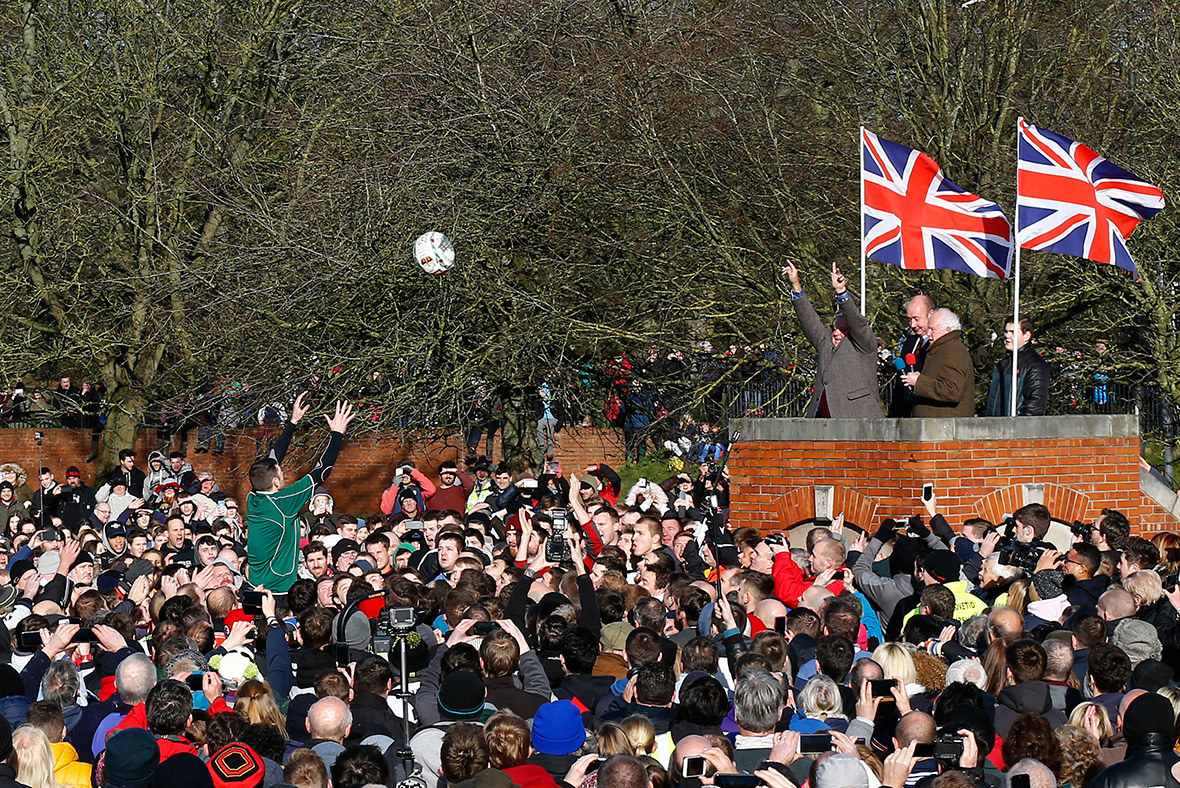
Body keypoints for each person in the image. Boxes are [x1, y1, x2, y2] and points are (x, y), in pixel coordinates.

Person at [247, 393, 355, 594]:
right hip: (278, 590)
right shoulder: (283, 502)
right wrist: (337, 433)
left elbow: (272, 458)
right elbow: (321, 471)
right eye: (281, 471)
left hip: (254, 584)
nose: (283, 470)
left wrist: (293, 421)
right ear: (275, 481)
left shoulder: (253, 496)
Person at [782, 260, 884, 418]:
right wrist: (796, 285)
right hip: (823, 420)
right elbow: (810, 322)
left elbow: (857, 322)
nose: (836, 333)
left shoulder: (863, 345)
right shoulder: (826, 343)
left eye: (842, 330)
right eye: (835, 328)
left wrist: (841, 292)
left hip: (858, 420)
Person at [901, 308, 974, 417]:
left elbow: (952, 391)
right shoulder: (941, 349)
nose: (928, 334)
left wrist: (919, 382)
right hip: (935, 426)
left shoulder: (953, 351)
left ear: (948, 330)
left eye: (932, 330)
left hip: (945, 427)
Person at [985, 315, 1051, 417]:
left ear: (1026, 336)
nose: (1007, 336)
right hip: (994, 428)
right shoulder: (1002, 364)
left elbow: (1034, 408)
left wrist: (1016, 429)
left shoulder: (1035, 366)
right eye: (1006, 332)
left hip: (1016, 430)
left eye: (1013, 332)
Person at [891, 295, 934, 418]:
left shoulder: (939, 345)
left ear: (931, 314)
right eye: (909, 320)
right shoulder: (910, 342)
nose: (912, 325)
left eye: (916, 319)